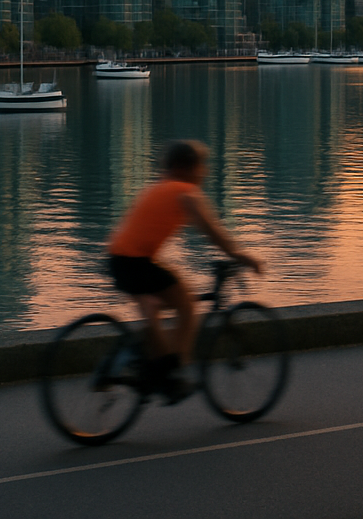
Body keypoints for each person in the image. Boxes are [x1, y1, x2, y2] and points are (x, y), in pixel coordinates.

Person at [107, 140, 262, 401]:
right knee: (187, 305)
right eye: (201, 167)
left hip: (118, 259)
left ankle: (148, 368)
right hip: (134, 261)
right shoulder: (184, 192)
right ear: (184, 167)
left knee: (154, 306)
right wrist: (238, 254)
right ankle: (172, 374)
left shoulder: (159, 188)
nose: (205, 172)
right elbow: (211, 230)